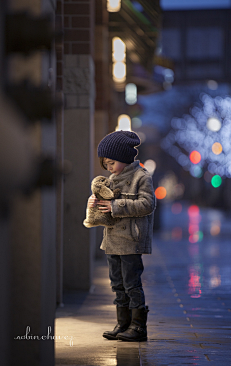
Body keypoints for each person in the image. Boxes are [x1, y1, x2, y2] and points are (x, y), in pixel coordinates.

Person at [87, 130, 156, 342]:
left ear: (124, 158)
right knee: (116, 283)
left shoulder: (141, 177)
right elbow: (104, 206)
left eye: (111, 163)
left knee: (131, 283)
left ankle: (138, 326)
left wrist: (116, 206)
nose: (109, 168)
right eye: (106, 165)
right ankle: (123, 322)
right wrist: (94, 204)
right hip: (111, 239)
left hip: (131, 239)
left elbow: (148, 204)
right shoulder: (111, 179)